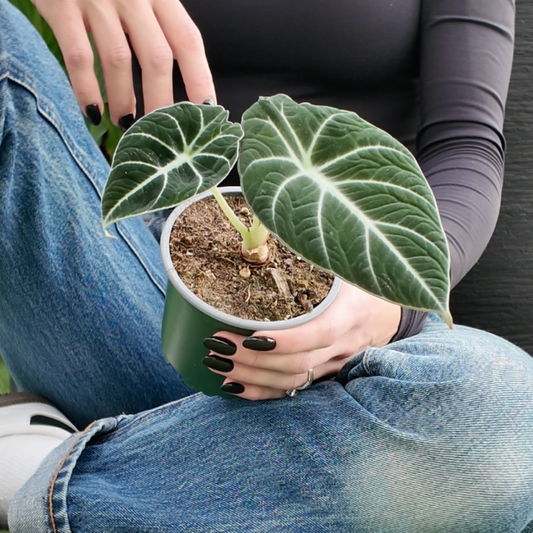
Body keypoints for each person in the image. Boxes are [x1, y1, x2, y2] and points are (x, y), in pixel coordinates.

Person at [0, 0, 532, 531]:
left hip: (343, 316)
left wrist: (387, 303)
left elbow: (468, 143)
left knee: (511, 416)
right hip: (137, 296)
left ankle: (46, 481)